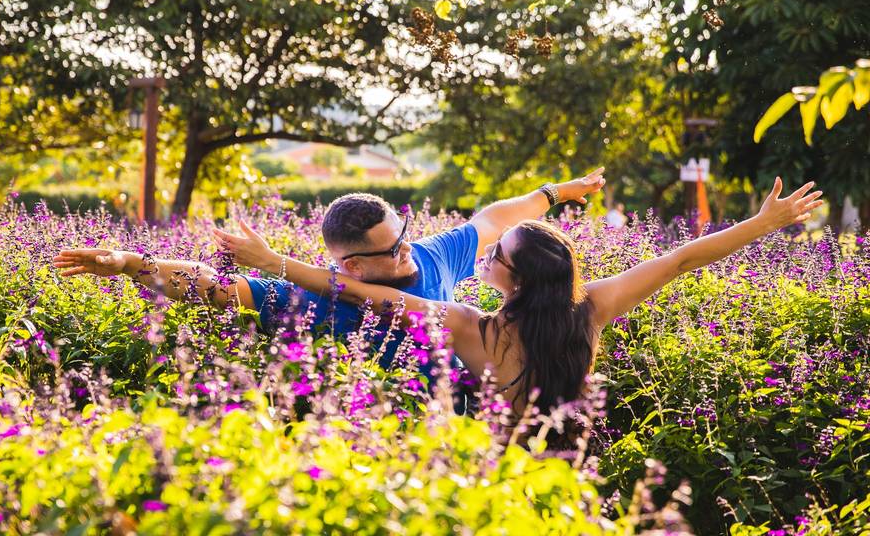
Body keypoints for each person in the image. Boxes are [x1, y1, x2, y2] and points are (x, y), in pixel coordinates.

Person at [214, 177, 823, 418]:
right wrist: (767, 223)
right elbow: (684, 256)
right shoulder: (593, 308)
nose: (485, 254)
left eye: (497, 253)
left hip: (494, 474)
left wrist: (275, 264)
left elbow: (361, 294)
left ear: (517, 278)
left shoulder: (467, 325)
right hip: (568, 465)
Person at [54, 169, 607, 382]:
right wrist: (131, 263)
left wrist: (558, 193)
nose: (409, 245)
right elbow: (210, 285)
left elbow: (495, 218)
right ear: (353, 268)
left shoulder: (433, 256)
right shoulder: (314, 296)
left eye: (405, 226)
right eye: (394, 246)